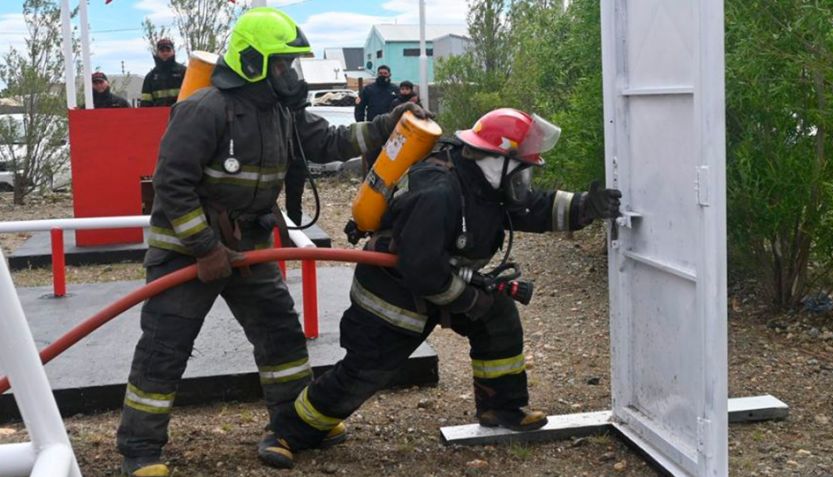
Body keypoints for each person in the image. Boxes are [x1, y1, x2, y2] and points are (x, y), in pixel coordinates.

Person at [115, 8, 428, 477]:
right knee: (165, 346)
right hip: (185, 251)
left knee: (280, 335)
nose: (290, 73)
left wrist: (388, 124)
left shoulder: (281, 111)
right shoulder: (203, 110)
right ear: (252, 63)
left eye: (290, 64)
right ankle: (140, 449)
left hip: (251, 246)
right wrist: (205, 248)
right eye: (281, 64)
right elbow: (172, 185)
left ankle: (294, 425)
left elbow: (329, 142)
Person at [262, 108, 622, 470]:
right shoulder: (438, 193)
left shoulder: (485, 184)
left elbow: (531, 207)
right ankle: (286, 432)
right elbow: (422, 271)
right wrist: (469, 299)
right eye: (521, 169)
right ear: (495, 160)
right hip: (394, 299)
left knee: (497, 315)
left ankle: (501, 407)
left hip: (441, 282)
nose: (524, 179)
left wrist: (585, 207)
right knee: (363, 374)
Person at [354, 65, 399, 172]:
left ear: (389, 75)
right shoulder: (369, 89)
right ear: (377, 75)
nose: (383, 75)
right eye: (380, 73)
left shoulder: (395, 89)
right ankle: (371, 179)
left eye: (385, 73)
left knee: (392, 156)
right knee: (372, 157)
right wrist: (361, 123)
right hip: (373, 128)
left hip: (391, 129)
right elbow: (359, 107)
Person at [139, 38, 186, 107]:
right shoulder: (150, 77)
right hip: (157, 113)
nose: (165, 53)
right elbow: (145, 103)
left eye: (168, 50)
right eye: (162, 51)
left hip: (180, 112)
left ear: (173, 52)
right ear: (157, 53)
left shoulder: (184, 72)